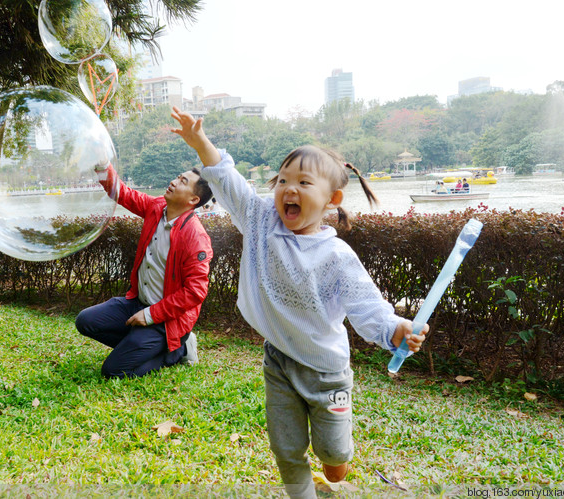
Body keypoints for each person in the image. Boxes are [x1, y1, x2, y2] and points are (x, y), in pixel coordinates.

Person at [170, 107, 428, 498]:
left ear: (331, 198)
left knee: (335, 461)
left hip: (327, 373)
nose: (289, 189)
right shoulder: (260, 221)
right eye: (283, 180)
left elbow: (369, 309)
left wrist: (397, 330)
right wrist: (201, 143)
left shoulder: (337, 256)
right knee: (286, 449)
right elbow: (229, 182)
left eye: (304, 182)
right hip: (279, 362)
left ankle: (336, 458)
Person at [74, 161, 213, 378]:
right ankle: (140, 344)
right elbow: (124, 194)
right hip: (137, 304)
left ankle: (178, 350)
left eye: (182, 182)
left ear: (193, 200)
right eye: (177, 177)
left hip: (167, 319)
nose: (174, 182)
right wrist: (103, 167)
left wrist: (150, 315)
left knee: (113, 371)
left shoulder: (196, 237)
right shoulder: (156, 207)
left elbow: (195, 292)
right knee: (86, 321)